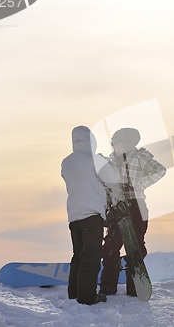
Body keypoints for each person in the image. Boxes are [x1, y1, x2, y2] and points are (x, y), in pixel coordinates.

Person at [100, 128, 166, 296]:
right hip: (116, 206)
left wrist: (139, 185)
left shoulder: (140, 156)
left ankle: (134, 286)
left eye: (119, 142)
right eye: (114, 142)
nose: (116, 145)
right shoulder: (109, 161)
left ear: (129, 143)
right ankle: (108, 287)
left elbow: (160, 170)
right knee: (110, 246)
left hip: (136, 205)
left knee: (135, 245)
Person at [61, 126, 122, 305]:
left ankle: (74, 294)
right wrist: (105, 162)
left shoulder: (66, 162)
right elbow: (113, 179)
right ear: (91, 140)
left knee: (78, 255)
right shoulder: (94, 160)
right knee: (91, 256)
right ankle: (87, 297)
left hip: (74, 215)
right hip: (92, 215)